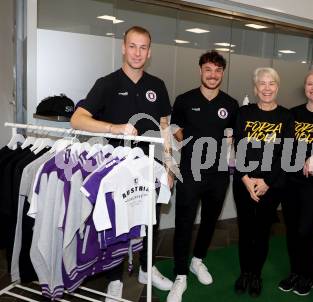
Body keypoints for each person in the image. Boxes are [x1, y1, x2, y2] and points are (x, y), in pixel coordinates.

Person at [70, 25, 174, 301]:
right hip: (117, 169)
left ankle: (146, 268)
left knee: (151, 220)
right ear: (123, 47)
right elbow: (77, 119)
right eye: (132, 46)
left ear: (149, 52)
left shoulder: (157, 86)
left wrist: (169, 164)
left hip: (150, 167)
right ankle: (114, 279)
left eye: (143, 47)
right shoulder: (107, 83)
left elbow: (165, 126)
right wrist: (114, 128)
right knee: (118, 223)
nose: (137, 52)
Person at [167, 50, 239, 302]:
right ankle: (180, 275)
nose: (213, 75)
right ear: (200, 71)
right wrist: (188, 143)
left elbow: (232, 135)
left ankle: (197, 261)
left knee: (210, 221)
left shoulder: (230, 104)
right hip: (190, 172)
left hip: (218, 175)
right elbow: (174, 128)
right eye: (208, 69)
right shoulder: (185, 99)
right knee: (184, 222)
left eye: (218, 70)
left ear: (222, 73)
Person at [232, 67, 290, 298]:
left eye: (271, 83)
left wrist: (266, 182)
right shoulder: (244, 112)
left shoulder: (286, 116)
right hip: (244, 181)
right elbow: (238, 146)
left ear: (277, 86)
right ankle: (244, 273)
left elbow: (286, 155)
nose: (267, 88)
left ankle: (256, 275)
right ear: (255, 89)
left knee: (262, 232)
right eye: (262, 84)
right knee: (245, 231)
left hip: (271, 185)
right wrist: (246, 179)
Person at [278, 69, 313, 296]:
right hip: (291, 181)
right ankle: (295, 272)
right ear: (305, 88)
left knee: (305, 231)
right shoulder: (293, 113)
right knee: (291, 230)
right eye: (310, 84)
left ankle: (308, 275)